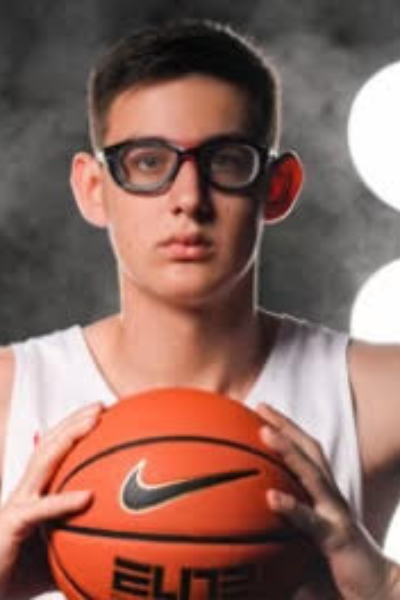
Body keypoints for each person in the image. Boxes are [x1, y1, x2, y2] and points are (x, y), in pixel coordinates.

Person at [0, 18, 399, 599]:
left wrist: (383, 583)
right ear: (92, 188)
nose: (188, 199)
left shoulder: (381, 393)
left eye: (227, 161)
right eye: (147, 162)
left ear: (278, 187)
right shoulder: (7, 396)